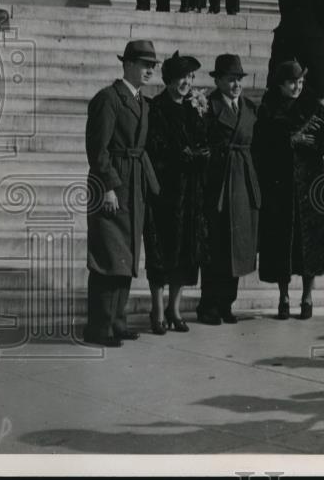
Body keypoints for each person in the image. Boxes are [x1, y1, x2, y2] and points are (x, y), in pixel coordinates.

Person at [83, 40, 161, 347]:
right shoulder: (108, 99)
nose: (149, 70)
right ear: (127, 64)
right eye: (144, 64)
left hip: (134, 184)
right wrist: (109, 187)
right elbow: (97, 149)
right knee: (107, 256)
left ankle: (117, 322)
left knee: (126, 255)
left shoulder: (142, 101)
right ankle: (99, 327)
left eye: (152, 65)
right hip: (112, 185)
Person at [254, 60, 324, 320]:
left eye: (300, 82)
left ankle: (307, 296)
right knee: (282, 244)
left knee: (309, 244)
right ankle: (283, 296)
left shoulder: (313, 105)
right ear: (280, 84)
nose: (297, 87)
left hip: (310, 183)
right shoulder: (268, 108)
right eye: (292, 82)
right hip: (280, 185)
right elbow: (260, 143)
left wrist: (317, 141)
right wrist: (289, 140)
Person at [144, 51, 209, 335]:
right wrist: (179, 155)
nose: (187, 82)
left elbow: (204, 139)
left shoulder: (194, 106)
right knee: (162, 250)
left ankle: (175, 307)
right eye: (182, 76)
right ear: (169, 79)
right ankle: (157, 309)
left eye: (191, 77)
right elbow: (154, 146)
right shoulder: (156, 107)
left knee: (185, 251)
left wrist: (201, 154)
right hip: (166, 191)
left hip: (191, 190)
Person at [198, 54, 261, 325]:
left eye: (239, 79)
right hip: (218, 182)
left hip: (243, 182)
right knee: (216, 245)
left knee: (238, 245)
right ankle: (208, 304)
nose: (236, 85)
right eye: (230, 79)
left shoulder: (249, 107)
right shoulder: (206, 106)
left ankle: (226, 303)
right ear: (218, 80)